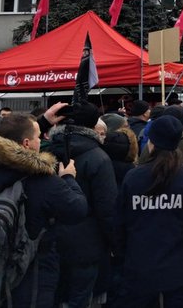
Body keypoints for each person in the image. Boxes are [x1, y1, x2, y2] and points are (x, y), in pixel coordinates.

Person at [0, 113, 88, 308]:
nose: (41, 141)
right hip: (31, 278)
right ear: (26, 143)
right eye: (38, 136)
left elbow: (17, 130)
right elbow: (77, 209)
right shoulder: (41, 180)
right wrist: (68, 178)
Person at [112, 115, 183, 308]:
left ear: (151, 142)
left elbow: (119, 224)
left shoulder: (133, 177)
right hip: (180, 265)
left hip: (140, 265)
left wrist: (124, 257)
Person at [48, 103, 118, 308]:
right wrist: (115, 243)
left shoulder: (48, 151)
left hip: (51, 240)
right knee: (80, 297)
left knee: (54, 296)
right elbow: (107, 208)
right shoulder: (98, 157)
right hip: (86, 244)